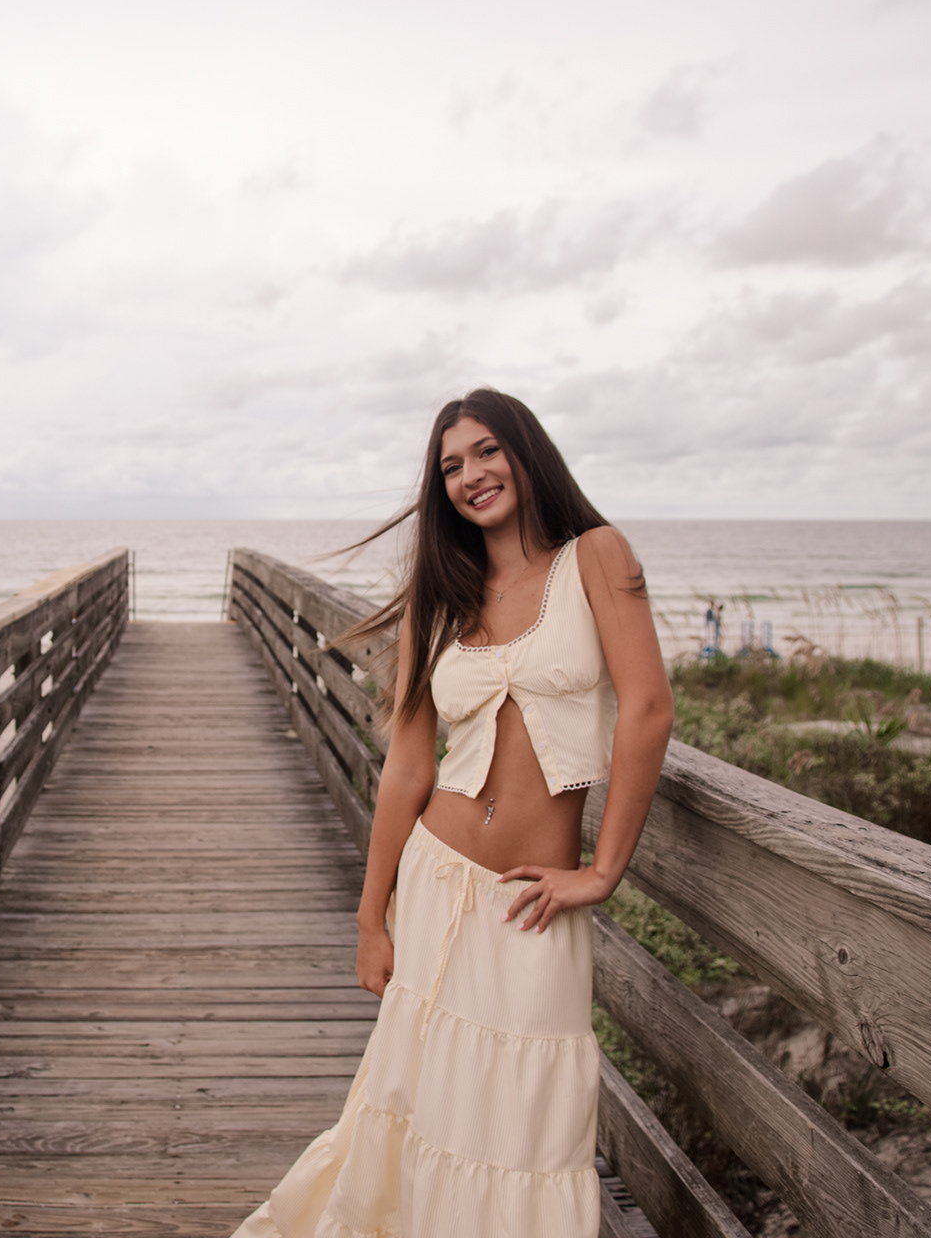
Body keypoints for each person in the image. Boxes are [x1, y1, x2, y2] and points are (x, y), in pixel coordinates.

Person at [231, 388, 674, 1238]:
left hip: (528, 898)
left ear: (525, 451)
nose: (471, 475)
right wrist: (371, 916)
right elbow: (405, 768)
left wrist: (604, 870)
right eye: (451, 466)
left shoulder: (598, 558)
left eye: (486, 451)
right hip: (436, 880)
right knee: (418, 1107)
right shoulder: (444, 589)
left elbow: (648, 708)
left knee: (525, 1132)